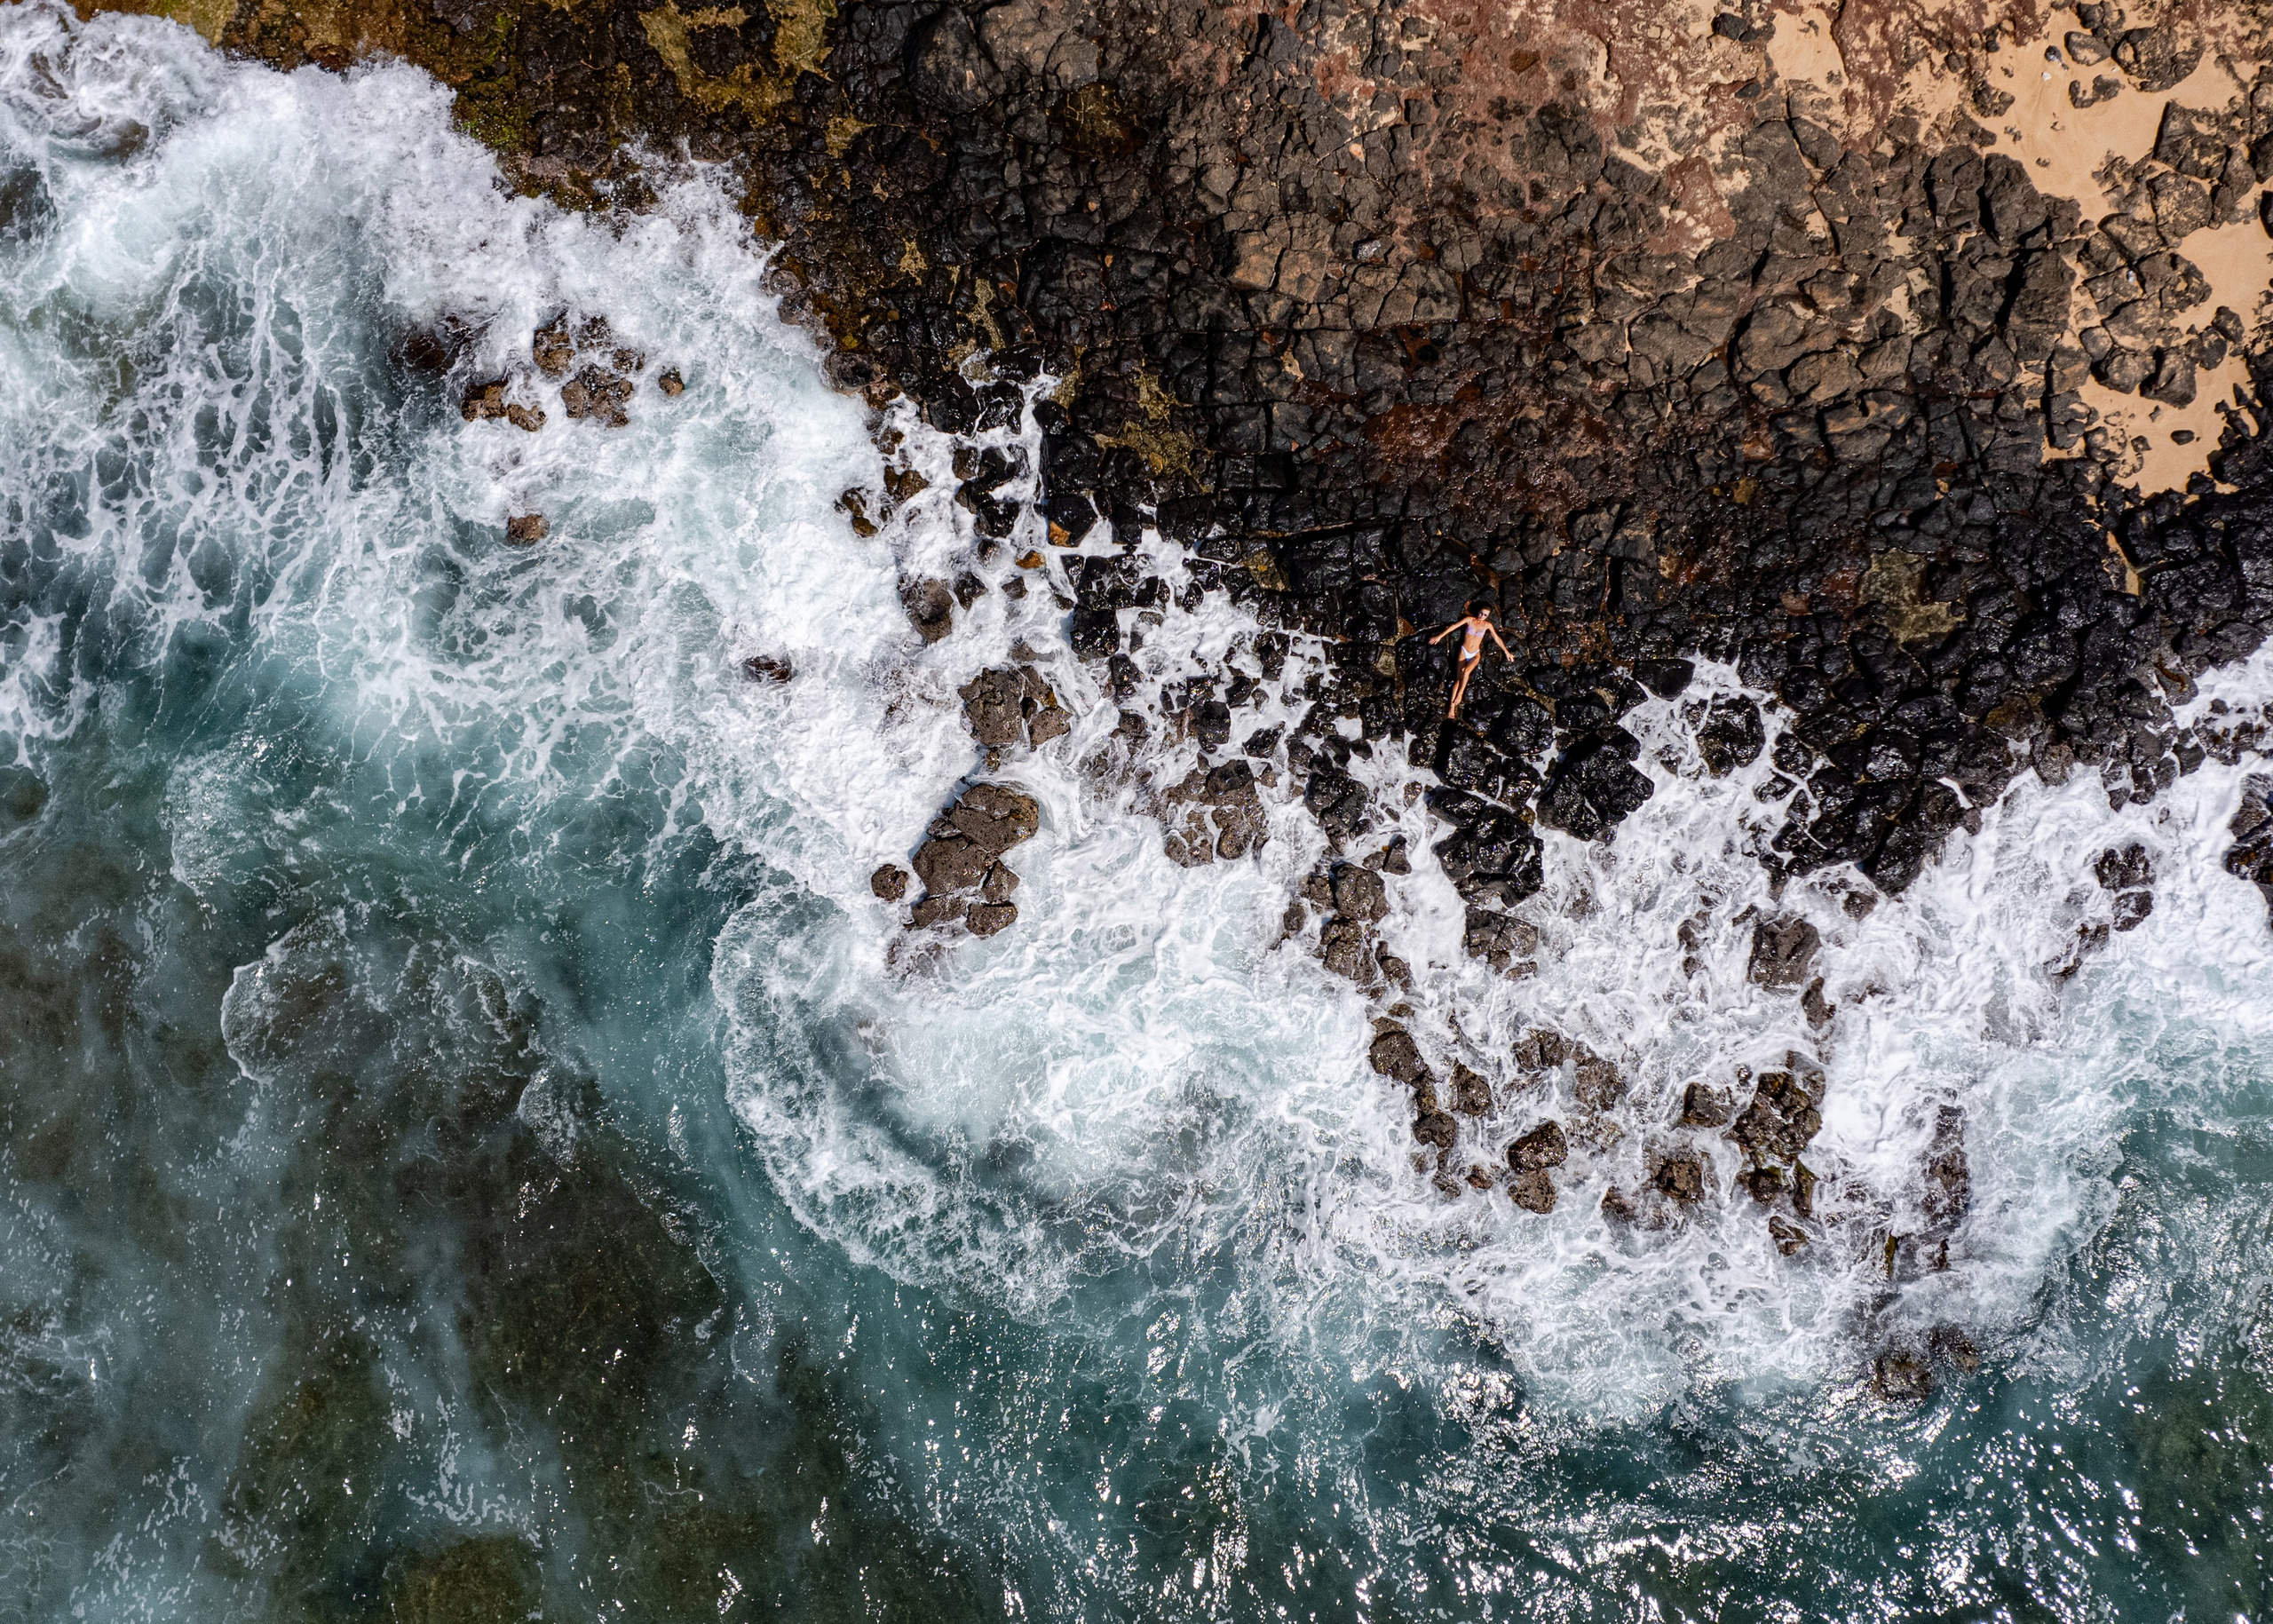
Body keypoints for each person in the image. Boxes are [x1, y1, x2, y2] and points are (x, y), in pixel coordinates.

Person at [1430, 603, 1510, 720]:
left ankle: (1460, 694)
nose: (1482, 616)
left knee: (1466, 672)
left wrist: (1506, 652)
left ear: (1488, 616)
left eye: (1485, 615)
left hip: (1475, 654)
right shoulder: (1469, 620)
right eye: (1481, 613)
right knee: (1457, 680)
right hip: (1464, 651)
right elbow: (1453, 626)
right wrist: (1440, 636)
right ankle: (1452, 708)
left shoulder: (1487, 625)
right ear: (1478, 612)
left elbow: (1497, 638)